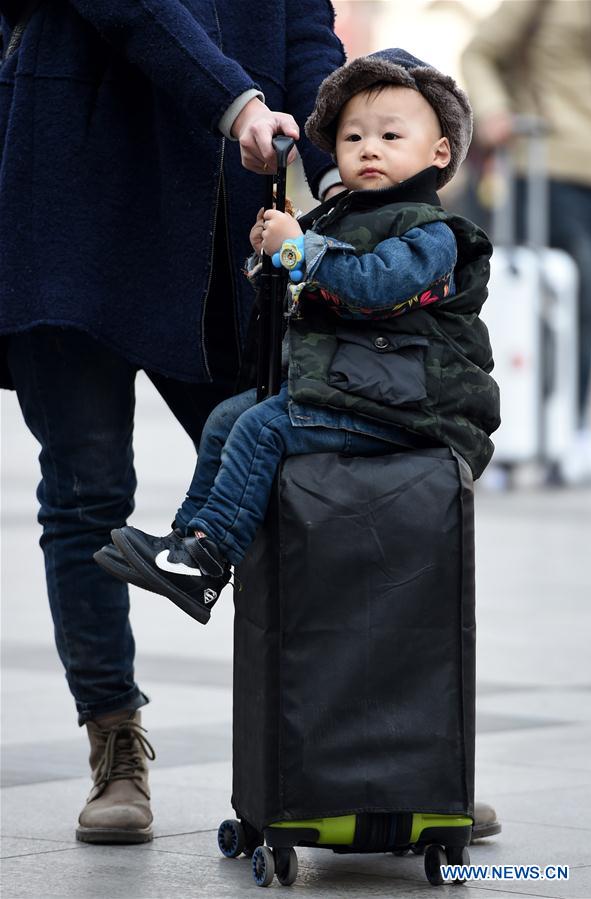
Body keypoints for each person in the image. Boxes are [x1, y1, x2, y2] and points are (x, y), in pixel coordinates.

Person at [97, 52, 502, 847]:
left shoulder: (433, 232)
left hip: (414, 409)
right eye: (352, 137)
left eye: (391, 134)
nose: (369, 149)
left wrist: (301, 253)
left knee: (263, 425)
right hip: (363, 393)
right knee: (228, 419)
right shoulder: (339, 219)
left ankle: (207, 554)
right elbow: (311, 288)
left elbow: (378, 284)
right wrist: (274, 252)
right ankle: (190, 546)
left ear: (440, 153)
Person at [0, 0, 346, 843]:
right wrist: (235, 102)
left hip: (220, 201)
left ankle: (353, 750)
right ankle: (114, 740)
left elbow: (302, 28)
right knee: (85, 488)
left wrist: (342, 167)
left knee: (285, 475)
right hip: (68, 179)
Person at [461, 0, 591, 482]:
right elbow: (479, 52)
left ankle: (569, 431)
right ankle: (508, 433)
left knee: (587, 307)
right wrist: (497, 112)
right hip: (550, 165)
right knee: (567, 299)